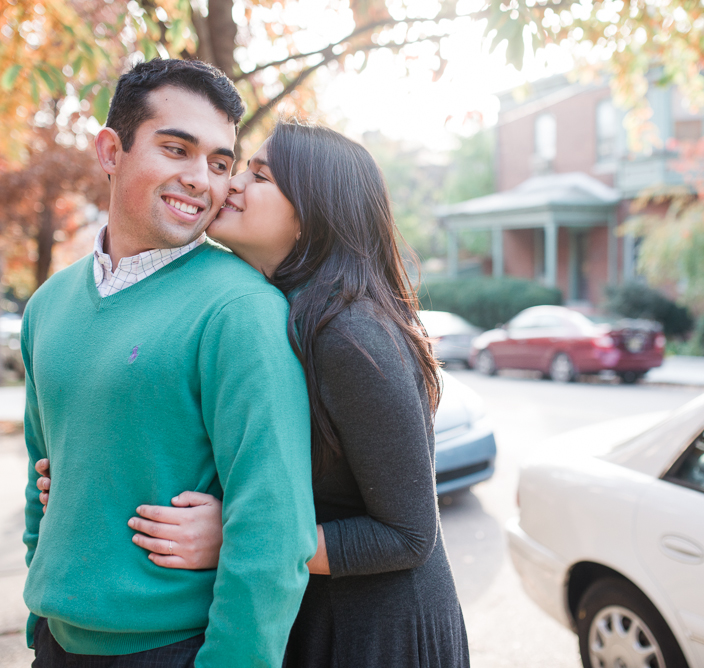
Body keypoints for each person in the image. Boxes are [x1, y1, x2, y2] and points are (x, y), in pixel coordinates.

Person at [37, 120, 471, 667]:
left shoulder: (349, 335)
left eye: (259, 176)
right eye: (242, 168)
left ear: (312, 212)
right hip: (305, 609)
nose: (233, 183)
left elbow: (409, 535)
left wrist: (243, 540)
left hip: (373, 630)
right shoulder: (274, 308)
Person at [21, 59, 316, 668]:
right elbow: (42, 474)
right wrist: (39, 609)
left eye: (218, 162)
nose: (200, 181)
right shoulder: (47, 306)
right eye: (176, 149)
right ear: (110, 150)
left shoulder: (240, 311)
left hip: (173, 651)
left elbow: (272, 530)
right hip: (56, 643)